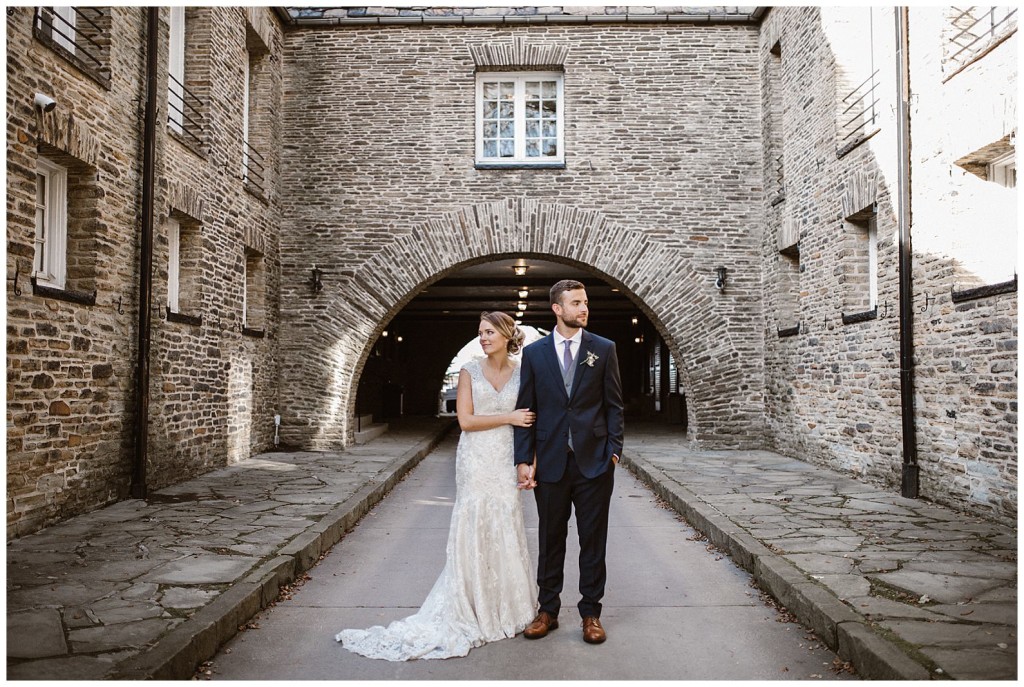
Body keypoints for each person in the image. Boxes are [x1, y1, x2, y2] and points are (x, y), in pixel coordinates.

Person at [336, 312, 538, 660]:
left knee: (506, 523)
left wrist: (529, 462)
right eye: (480, 332)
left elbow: (532, 422)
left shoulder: (524, 372)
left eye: (490, 332)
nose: (483, 338)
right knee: (474, 523)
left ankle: (510, 607)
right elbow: (466, 421)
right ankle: (471, 605)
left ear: (507, 335)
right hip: (476, 458)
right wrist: (509, 416)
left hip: (507, 457)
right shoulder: (469, 371)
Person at [514, 279, 624, 645]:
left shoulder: (604, 349)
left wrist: (613, 451)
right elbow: (527, 410)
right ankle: (548, 610)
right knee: (550, 538)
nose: (584, 308)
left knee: (593, 541)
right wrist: (523, 460)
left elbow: (614, 406)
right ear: (557, 309)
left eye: (586, 302)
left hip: (594, 463)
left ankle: (591, 613)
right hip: (550, 462)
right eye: (576, 302)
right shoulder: (535, 354)